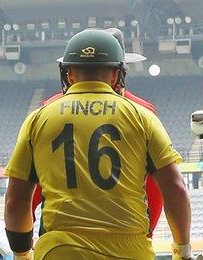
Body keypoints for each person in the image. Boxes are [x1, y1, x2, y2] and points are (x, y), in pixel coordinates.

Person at [4, 29, 193, 259]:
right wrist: (181, 250)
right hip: (130, 249)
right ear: (116, 75)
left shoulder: (38, 119)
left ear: (69, 74)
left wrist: (21, 253)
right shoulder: (143, 116)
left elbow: (17, 200)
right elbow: (175, 189)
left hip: (60, 249)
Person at [31, 28, 165, 239]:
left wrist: (24, 233)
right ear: (119, 70)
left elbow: (37, 177)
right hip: (123, 231)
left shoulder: (49, 109)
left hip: (62, 232)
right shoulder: (142, 111)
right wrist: (148, 232)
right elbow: (155, 185)